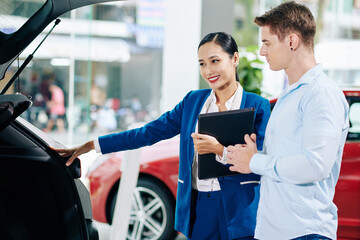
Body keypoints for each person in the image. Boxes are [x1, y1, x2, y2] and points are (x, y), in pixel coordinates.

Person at [54, 32, 270, 240]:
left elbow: (262, 163)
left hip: (240, 208)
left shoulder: (257, 106)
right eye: (202, 64)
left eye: (215, 61)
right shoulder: (193, 102)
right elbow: (148, 132)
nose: (208, 71)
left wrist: (219, 150)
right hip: (201, 206)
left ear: (234, 59)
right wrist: (93, 144)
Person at [226, 2, 349, 240]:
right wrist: (254, 156)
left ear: (292, 42)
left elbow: (316, 165)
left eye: (267, 43)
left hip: (305, 232)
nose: (262, 51)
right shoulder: (290, 95)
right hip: (276, 232)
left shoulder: (320, 93)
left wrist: (256, 162)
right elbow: (284, 159)